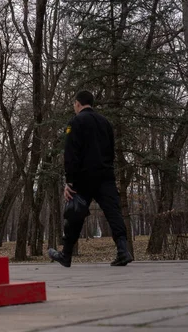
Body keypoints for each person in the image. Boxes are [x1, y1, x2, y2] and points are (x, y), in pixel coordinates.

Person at [48, 90, 133, 267]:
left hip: (83, 177)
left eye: (74, 104)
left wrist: (69, 181)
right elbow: (111, 150)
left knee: (75, 214)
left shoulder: (76, 121)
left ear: (78, 103)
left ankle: (66, 254)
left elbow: (71, 153)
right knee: (113, 213)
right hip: (105, 175)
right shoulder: (106, 123)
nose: (74, 107)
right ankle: (123, 250)